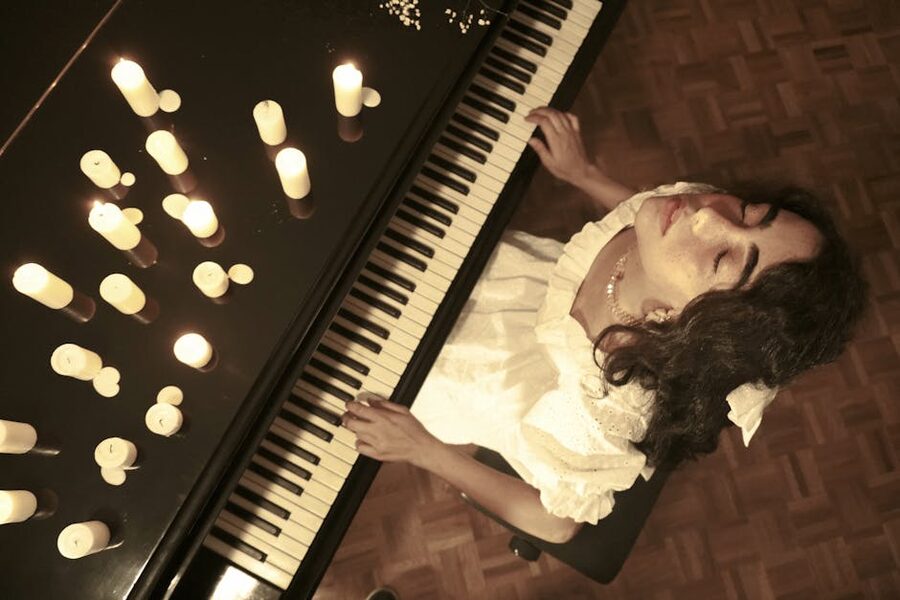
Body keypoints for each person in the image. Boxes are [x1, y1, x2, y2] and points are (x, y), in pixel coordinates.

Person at [341, 107, 868, 544]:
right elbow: (642, 213)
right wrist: (582, 172)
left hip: (467, 372)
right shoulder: (681, 220)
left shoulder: (602, 414)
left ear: (689, 323)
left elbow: (555, 524)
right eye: (752, 211)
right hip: (481, 274)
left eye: (723, 259)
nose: (706, 214)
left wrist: (421, 448)